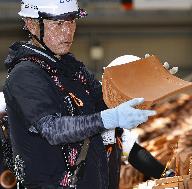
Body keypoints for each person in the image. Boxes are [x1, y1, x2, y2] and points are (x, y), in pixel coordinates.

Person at [3, 1, 174, 188]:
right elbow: (52, 129)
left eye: (71, 22)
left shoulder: (74, 71)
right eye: (58, 24)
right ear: (31, 24)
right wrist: (108, 119)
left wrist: (147, 85)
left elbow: (106, 102)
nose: (67, 32)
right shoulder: (25, 75)